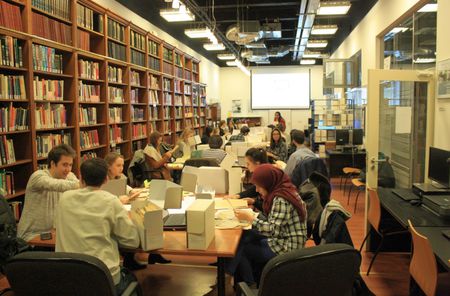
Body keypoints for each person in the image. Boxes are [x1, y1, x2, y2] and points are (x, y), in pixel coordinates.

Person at [55, 158, 141, 295]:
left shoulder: (64, 198)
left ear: (81, 178)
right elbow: (132, 241)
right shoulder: (111, 201)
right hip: (102, 277)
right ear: (106, 179)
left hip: (68, 275)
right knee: (131, 279)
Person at [227, 164, 307, 286]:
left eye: (259, 187)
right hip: (285, 238)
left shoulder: (281, 200)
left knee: (242, 248)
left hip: (287, 247)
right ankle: (230, 274)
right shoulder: (285, 191)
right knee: (246, 236)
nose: (257, 190)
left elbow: (273, 231)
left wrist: (251, 219)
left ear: (269, 184)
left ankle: (249, 285)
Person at [104, 152, 171, 268]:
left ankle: (153, 253)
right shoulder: (103, 180)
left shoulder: (120, 177)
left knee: (148, 217)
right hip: (112, 215)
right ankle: (130, 259)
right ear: (109, 166)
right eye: (118, 166)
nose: (121, 168)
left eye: (122, 165)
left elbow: (125, 187)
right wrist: (119, 200)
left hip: (123, 210)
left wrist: (131, 192)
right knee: (137, 224)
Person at [17, 144, 79, 241]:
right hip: (31, 237)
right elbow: (57, 185)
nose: (68, 169)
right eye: (64, 165)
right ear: (53, 164)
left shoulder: (69, 176)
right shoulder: (37, 176)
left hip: (53, 233)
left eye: (70, 165)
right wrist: (83, 184)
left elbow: (77, 189)